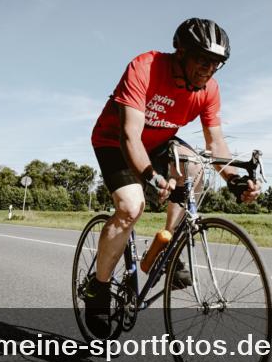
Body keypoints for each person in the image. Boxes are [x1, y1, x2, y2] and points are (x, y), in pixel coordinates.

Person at [84, 18, 261, 337]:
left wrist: (234, 179)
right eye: (203, 60)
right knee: (130, 207)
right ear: (181, 52)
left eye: (216, 64)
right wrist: (151, 177)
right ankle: (98, 288)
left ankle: (168, 247)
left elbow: (215, 143)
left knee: (195, 167)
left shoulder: (209, 90)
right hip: (115, 142)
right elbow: (129, 136)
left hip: (159, 144)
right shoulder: (146, 67)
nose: (209, 69)